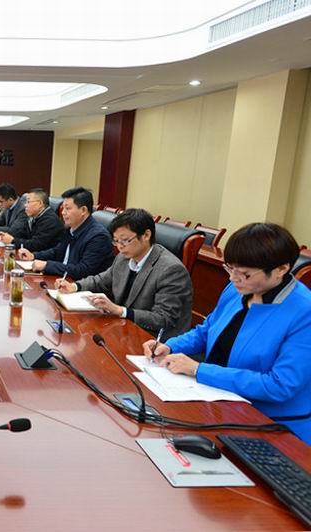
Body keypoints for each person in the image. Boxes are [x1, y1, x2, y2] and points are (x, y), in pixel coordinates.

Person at [145, 223, 311, 443]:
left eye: (244, 274)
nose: (233, 278)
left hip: (271, 423)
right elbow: (207, 330)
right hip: (217, 401)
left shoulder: (304, 312)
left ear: (281, 269)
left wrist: (198, 370)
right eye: (230, 269)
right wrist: (170, 346)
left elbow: (280, 385)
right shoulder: (237, 289)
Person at [56, 208, 192, 339]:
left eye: (125, 240)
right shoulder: (124, 257)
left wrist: (119, 310)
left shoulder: (171, 270)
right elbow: (102, 280)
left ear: (146, 235)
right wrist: (74, 286)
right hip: (124, 329)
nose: (120, 246)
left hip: (155, 341)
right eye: (116, 241)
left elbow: (163, 319)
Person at [18, 186, 113, 280]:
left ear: (83, 210)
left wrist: (47, 265)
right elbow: (57, 251)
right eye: (63, 208)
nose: (63, 213)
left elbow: (83, 270)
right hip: (62, 279)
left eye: (67, 208)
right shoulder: (70, 228)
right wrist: (34, 256)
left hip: (78, 286)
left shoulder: (98, 236)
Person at [0, 189, 64, 252]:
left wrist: (13, 241)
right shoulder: (33, 216)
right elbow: (22, 233)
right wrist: (6, 236)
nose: (25, 205)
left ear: (40, 203)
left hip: (45, 257)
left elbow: (36, 245)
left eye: (28, 202)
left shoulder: (50, 220)